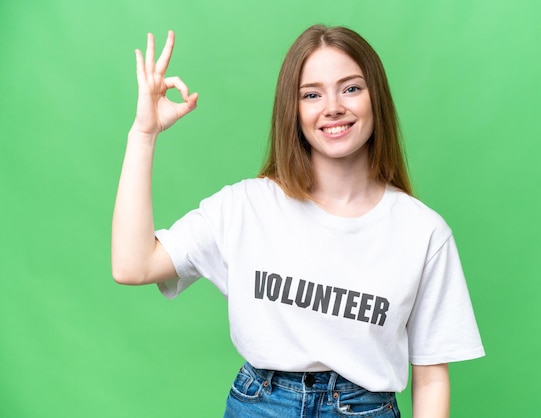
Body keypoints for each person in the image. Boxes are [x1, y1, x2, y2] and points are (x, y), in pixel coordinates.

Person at [112, 25, 484, 417]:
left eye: (351, 88)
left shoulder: (422, 232)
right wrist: (143, 134)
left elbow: (430, 375)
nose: (333, 106)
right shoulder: (245, 206)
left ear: (377, 99)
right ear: (293, 109)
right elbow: (133, 265)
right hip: (261, 405)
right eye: (312, 94)